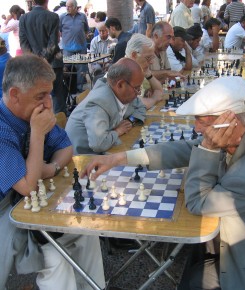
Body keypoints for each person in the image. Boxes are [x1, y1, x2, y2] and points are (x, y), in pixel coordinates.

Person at [81, 76, 245, 290]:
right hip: (229, 240)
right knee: (191, 266)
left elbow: (198, 201)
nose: (197, 129)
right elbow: (185, 148)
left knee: (193, 281)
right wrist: (117, 158)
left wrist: (208, 148)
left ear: (232, 121)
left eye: (203, 121)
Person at [0, 54, 105, 290]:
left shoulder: (32, 111)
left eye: (49, 93)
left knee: (86, 232)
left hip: (27, 202)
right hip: (5, 212)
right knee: (55, 259)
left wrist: (51, 168)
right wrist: (37, 135)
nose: (49, 103)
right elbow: (27, 185)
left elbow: (67, 147)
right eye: (40, 96)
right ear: (15, 94)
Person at [65, 58, 146, 155]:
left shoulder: (122, 93)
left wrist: (130, 121)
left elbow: (141, 107)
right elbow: (98, 144)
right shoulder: (98, 103)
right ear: (120, 85)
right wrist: (117, 131)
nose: (139, 93)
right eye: (137, 88)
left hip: (105, 152)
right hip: (84, 159)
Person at [19, 0, 67, 115]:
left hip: (34, 65)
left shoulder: (24, 18)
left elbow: (24, 44)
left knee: (39, 96)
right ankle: (59, 125)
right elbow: (53, 43)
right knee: (57, 94)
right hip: (53, 62)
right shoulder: (53, 16)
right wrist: (43, 59)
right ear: (46, 1)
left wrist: (35, 60)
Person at [125, 33, 163, 109]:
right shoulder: (123, 71)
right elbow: (137, 103)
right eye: (148, 58)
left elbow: (159, 91)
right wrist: (153, 99)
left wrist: (148, 74)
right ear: (134, 55)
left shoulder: (139, 69)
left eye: (152, 57)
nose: (152, 62)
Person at [60, 0, 89, 92]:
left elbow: (86, 29)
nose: (67, 8)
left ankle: (79, 87)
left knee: (81, 68)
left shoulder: (83, 16)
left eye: (70, 6)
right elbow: (59, 31)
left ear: (75, 7)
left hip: (81, 46)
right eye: (66, 6)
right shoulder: (62, 17)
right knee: (68, 68)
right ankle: (70, 87)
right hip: (68, 47)